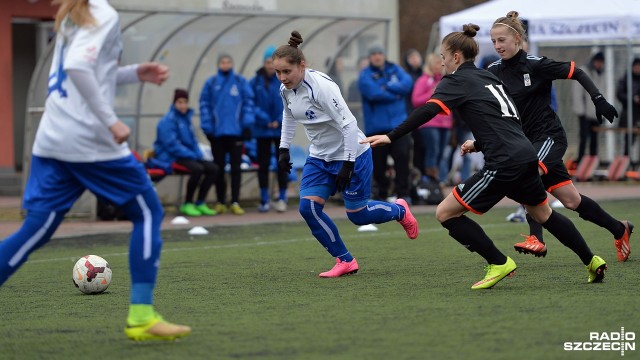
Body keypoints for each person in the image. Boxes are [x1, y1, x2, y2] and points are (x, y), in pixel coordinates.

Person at [362, 24, 608, 289]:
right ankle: (591, 260)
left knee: (445, 213)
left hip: (503, 162)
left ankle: (498, 262)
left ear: (456, 57)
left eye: (443, 56)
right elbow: (508, 120)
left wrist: (391, 136)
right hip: (526, 154)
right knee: (543, 214)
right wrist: (479, 144)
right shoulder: (488, 77)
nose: (441, 62)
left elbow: (427, 111)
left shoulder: (457, 80)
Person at [0, 0, 190, 341]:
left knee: (35, 230)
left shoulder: (72, 15)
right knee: (148, 212)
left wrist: (134, 73)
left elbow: (87, 73)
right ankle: (142, 316)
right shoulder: (102, 12)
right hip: (87, 139)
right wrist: (111, 121)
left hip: (53, 139)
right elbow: (78, 69)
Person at [488, 11, 632, 263]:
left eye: (502, 40)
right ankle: (620, 229)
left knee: (527, 175)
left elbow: (578, 72)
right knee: (572, 201)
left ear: (518, 39)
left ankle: (537, 238)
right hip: (524, 142)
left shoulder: (535, 64)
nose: (497, 46)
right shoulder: (493, 70)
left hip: (549, 137)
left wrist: (598, 100)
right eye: (494, 42)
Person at [273, 31, 419, 277]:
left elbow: (349, 124)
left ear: (302, 65)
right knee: (308, 209)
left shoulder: (321, 87)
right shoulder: (285, 89)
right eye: (278, 72)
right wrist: (283, 148)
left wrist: (348, 164)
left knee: (358, 216)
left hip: (353, 153)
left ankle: (400, 211)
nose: (282, 77)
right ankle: (345, 260)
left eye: (286, 71)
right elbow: (288, 115)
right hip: (319, 157)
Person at [199, 53, 255, 215]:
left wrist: (246, 125)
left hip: (236, 133)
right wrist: (207, 128)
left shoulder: (239, 81)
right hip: (217, 134)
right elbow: (204, 106)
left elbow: (248, 104)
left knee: (236, 169)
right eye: (222, 62)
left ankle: (235, 201)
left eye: (228, 62)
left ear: (232, 64)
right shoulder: (211, 83)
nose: (225, 64)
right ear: (218, 64)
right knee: (219, 169)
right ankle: (221, 201)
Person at [359, 44, 414, 202]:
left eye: (380, 53)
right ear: (370, 57)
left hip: (399, 126)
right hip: (376, 128)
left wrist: (387, 86)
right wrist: (396, 94)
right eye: (374, 54)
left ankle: (403, 193)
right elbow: (374, 94)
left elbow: (407, 84)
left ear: (384, 55)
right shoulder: (365, 75)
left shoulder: (395, 69)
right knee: (378, 164)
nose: (377, 56)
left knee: (402, 158)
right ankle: (381, 193)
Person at [154, 88, 218, 217]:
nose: (183, 105)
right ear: (174, 103)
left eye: (185, 102)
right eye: (180, 102)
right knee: (198, 169)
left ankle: (200, 202)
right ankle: (188, 203)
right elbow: (171, 145)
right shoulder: (167, 120)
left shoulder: (186, 119)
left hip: (187, 155)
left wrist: (197, 153)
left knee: (213, 168)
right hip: (170, 157)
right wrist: (192, 155)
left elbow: (193, 140)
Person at [250, 46, 288, 213]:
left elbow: (289, 103)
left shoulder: (283, 80)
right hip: (262, 130)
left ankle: (282, 198)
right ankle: (264, 199)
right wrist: (265, 120)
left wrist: (279, 120)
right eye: (267, 62)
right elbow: (251, 104)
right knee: (263, 165)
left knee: (282, 163)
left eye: (272, 63)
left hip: (280, 129)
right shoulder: (255, 81)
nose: (270, 66)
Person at [411, 53, 453, 184]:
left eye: (441, 63)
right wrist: (431, 93)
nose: (440, 66)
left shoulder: (445, 80)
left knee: (441, 153)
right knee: (432, 151)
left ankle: (438, 179)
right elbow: (416, 100)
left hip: (445, 122)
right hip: (430, 123)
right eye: (436, 63)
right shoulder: (424, 80)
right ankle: (430, 180)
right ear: (430, 65)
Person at [573, 52, 606, 164]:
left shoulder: (601, 74)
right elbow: (578, 93)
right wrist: (581, 111)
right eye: (598, 62)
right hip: (585, 113)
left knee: (594, 139)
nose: (599, 65)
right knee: (583, 138)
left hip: (595, 113)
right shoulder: (584, 71)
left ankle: (593, 161)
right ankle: (580, 159)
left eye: (601, 63)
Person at [616, 58, 640, 158]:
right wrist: (632, 98)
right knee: (629, 139)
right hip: (629, 113)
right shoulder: (625, 79)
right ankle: (626, 161)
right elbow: (619, 94)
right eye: (636, 67)